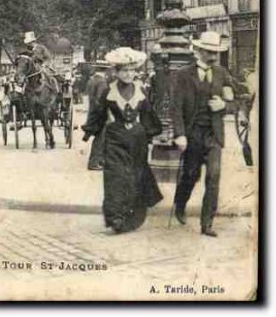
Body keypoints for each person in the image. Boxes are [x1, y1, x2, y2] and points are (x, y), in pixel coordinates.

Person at [82, 47, 163, 234]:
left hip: (137, 140)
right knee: (115, 177)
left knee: (134, 177)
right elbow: (98, 114)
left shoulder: (141, 91)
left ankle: (131, 216)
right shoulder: (107, 91)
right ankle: (115, 217)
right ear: (116, 72)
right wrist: (89, 133)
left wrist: (150, 134)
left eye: (132, 70)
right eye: (124, 70)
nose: (128, 74)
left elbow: (148, 115)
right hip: (115, 138)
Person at [172, 31, 235, 237]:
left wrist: (224, 106)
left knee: (214, 176)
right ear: (198, 51)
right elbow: (176, 108)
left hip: (214, 135)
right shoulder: (183, 75)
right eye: (209, 51)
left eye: (215, 52)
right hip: (193, 134)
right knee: (191, 174)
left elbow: (238, 101)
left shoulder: (222, 73)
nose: (213, 56)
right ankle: (180, 203)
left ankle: (207, 223)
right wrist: (180, 134)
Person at [85, 65, 111, 170]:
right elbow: (101, 99)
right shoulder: (102, 82)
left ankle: (100, 160)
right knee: (100, 138)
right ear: (105, 70)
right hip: (100, 114)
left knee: (100, 138)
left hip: (93, 112)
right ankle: (94, 162)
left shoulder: (92, 80)